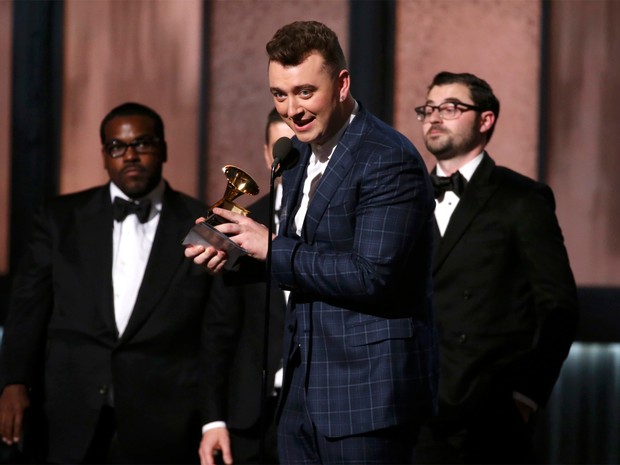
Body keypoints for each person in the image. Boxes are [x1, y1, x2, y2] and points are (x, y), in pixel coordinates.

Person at [186, 20, 438, 465]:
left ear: (342, 84)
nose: (291, 109)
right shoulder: (299, 154)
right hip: (300, 396)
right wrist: (235, 257)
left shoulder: (387, 157)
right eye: (279, 95)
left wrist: (273, 248)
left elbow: (373, 274)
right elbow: (302, 262)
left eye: (305, 92)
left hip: (367, 400)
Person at [0, 102, 213, 464]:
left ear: (163, 149)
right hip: (69, 412)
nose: (130, 155)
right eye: (117, 146)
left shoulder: (203, 227)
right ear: (104, 155)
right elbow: (27, 306)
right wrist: (13, 381)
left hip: (165, 421)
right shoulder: (59, 219)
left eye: (142, 144)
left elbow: (214, 330)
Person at [412, 71, 579, 463]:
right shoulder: (404, 196)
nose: (435, 117)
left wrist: (525, 395)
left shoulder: (522, 199)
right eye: (428, 109)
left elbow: (558, 307)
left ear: (485, 120)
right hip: (410, 409)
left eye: (450, 108)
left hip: (486, 417)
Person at [200, 108, 294, 464]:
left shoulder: (340, 219)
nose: (290, 158)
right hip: (249, 416)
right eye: (283, 149)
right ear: (268, 154)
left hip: (319, 410)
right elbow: (218, 330)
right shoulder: (241, 225)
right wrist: (213, 419)